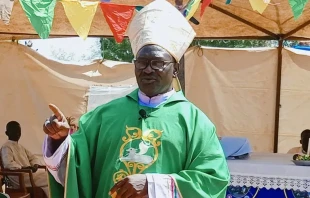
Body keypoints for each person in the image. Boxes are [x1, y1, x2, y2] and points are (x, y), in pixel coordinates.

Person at [42, 1, 230, 198]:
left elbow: (213, 181)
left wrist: (154, 185)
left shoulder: (196, 123)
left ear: (175, 69)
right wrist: (60, 141)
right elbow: (76, 171)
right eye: (141, 62)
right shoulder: (101, 117)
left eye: (157, 63)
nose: (147, 69)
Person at [0, 121, 49, 196]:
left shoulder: (20, 147)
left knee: (50, 181)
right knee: (50, 178)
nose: (17, 133)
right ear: (7, 133)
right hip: (20, 178)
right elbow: (8, 164)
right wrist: (24, 167)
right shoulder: (6, 147)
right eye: (15, 131)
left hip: (29, 174)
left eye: (19, 131)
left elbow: (33, 157)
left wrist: (35, 164)